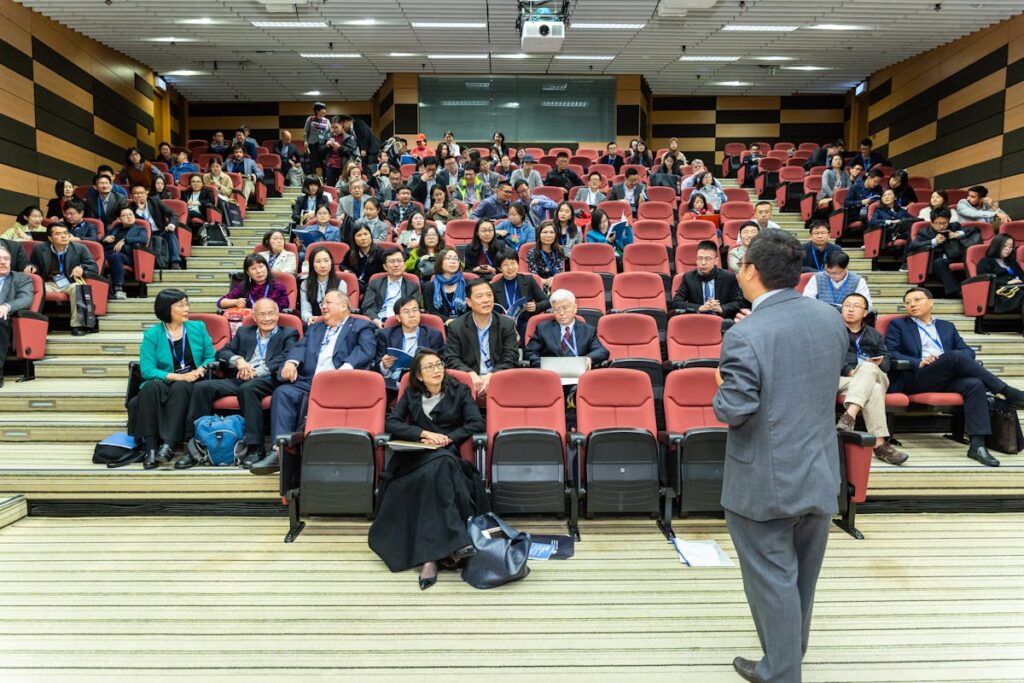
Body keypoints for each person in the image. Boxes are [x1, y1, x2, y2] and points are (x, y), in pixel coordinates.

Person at [713, 228, 848, 683]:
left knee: (771, 580)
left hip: (764, 483)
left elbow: (735, 408)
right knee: (800, 581)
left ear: (751, 271)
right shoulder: (831, 318)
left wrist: (719, 386)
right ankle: (789, 656)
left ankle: (782, 671)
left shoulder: (746, 333)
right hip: (820, 471)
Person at [367, 348, 488, 588]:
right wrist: (424, 433)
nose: (437, 370)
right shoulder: (411, 393)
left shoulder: (459, 390)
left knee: (442, 466)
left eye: (439, 364)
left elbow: (476, 422)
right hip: (415, 457)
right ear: (419, 376)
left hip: (446, 454)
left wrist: (447, 438)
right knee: (436, 473)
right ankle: (455, 542)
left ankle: (430, 558)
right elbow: (391, 422)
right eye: (429, 367)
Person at [885, 287, 1024, 467]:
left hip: (947, 376)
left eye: (917, 300)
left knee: (974, 384)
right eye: (908, 302)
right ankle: (1007, 391)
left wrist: (951, 362)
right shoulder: (899, 325)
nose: (912, 304)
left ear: (931, 302)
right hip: (917, 376)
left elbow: (967, 351)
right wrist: (918, 361)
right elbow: (891, 352)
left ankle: (977, 445)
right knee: (954, 356)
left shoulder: (946, 326)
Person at [251, 289, 377, 475]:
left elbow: (366, 350)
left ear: (343, 306)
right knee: (283, 392)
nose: (322, 306)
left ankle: (301, 453)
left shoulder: (361, 326)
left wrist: (344, 371)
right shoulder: (316, 327)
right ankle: (279, 451)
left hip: (340, 382)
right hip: (311, 380)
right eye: (322, 303)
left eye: (328, 303)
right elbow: (299, 347)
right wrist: (291, 363)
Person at [181, 297, 299, 469]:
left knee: (248, 388)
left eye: (271, 313)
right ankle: (194, 447)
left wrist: (255, 372)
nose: (267, 318)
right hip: (241, 377)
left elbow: (286, 356)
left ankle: (255, 448)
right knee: (201, 388)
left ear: (277, 315)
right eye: (262, 314)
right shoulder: (245, 332)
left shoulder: (288, 333)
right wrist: (239, 362)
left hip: (269, 380)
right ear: (255, 316)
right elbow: (223, 352)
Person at [128, 289, 216, 470]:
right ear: (166, 309)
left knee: (182, 387)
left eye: (187, 304)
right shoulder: (152, 334)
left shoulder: (197, 327)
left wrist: (200, 370)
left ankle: (168, 444)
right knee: (150, 388)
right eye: (180, 305)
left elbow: (211, 357)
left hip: (191, 381)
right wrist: (177, 376)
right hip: (164, 380)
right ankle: (151, 449)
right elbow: (147, 369)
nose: (186, 309)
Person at [835, 292, 909, 465]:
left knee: (869, 368)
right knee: (874, 388)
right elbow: (827, 356)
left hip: (876, 375)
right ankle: (880, 444)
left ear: (865, 312)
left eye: (856, 306)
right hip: (844, 379)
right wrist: (849, 370)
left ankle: (849, 416)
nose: (850, 309)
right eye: (847, 305)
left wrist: (876, 365)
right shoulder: (833, 331)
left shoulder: (874, 334)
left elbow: (887, 360)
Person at [443, 279, 519, 397]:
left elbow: (511, 356)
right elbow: (451, 358)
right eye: (479, 296)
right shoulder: (457, 326)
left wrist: (493, 374)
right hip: (467, 382)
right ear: (469, 301)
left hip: (500, 379)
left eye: (489, 295)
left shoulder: (506, 324)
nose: (486, 300)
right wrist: (469, 373)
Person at [524, 288, 608, 368]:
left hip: (578, 375)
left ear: (575, 308)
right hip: (551, 375)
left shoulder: (588, 330)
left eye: (565, 308)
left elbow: (602, 351)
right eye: (556, 309)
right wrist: (544, 365)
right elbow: (529, 352)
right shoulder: (543, 329)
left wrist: (589, 358)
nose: (561, 313)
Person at [375, 295, 445, 386]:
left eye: (415, 310)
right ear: (398, 317)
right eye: (406, 311)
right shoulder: (385, 335)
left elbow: (442, 363)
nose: (412, 315)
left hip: (424, 383)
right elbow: (376, 365)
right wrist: (384, 365)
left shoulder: (433, 335)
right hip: (393, 383)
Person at [908, 207, 978, 297]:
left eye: (945, 223)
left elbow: (975, 229)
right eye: (938, 223)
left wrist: (958, 234)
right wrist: (933, 241)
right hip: (935, 262)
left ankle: (973, 289)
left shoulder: (954, 227)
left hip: (955, 257)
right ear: (932, 222)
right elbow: (912, 246)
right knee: (939, 262)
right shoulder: (924, 232)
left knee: (971, 259)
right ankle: (954, 292)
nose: (942, 226)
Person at [671, 240, 745, 319]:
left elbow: (739, 302)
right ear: (696, 260)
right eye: (700, 258)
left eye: (707, 259)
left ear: (716, 261)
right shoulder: (689, 277)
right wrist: (699, 307)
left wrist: (721, 308)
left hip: (723, 321)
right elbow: (677, 302)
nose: (703, 263)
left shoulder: (728, 277)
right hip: (698, 319)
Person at [0, 244, 35, 387]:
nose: (3, 262)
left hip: (6, 319)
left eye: (6, 259)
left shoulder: (20, 278)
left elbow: (25, 299)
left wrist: (6, 306)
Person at [491, 251, 549, 335]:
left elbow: (546, 302)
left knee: (528, 330)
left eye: (513, 263)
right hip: (503, 323)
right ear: (500, 268)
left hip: (524, 321)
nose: (510, 267)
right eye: (505, 265)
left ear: (518, 264)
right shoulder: (494, 286)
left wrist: (535, 306)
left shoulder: (528, 280)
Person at [127, 184, 183, 270]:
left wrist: (171, 224)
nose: (139, 195)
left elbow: (172, 214)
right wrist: (139, 210)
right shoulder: (130, 208)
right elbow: (132, 224)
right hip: (145, 236)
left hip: (160, 231)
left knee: (170, 233)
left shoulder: (155, 201)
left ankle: (175, 262)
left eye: (141, 193)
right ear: (131, 196)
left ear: (146, 194)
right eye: (136, 193)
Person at [362, 248, 421, 327]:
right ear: (385, 266)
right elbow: (367, 307)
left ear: (404, 265)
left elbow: (413, 310)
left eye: (399, 261)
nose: (396, 265)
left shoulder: (413, 286)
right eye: (392, 261)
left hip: (401, 324)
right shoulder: (375, 283)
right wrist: (375, 320)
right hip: (379, 322)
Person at [103, 207, 150, 300]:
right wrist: (105, 239)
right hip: (109, 253)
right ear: (119, 219)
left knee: (116, 256)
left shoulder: (140, 229)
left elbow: (144, 240)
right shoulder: (115, 229)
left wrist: (125, 240)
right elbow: (102, 240)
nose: (129, 217)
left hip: (128, 256)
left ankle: (118, 288)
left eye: (130, 214)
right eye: (124, 215)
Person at [802, 250, 873, 311]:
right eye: (827, 272)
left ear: (846, 268)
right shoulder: (817, 278)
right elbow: (807, 301)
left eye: (835, 273)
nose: (831, 276)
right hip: (822, 317)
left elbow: (868, 307)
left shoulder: (858, 281)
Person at [218, 253, 290, 312]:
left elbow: (284, 308)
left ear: (267, 268)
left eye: (261, 267)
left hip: (271, 321)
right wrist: (235, 302)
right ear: (248, 272)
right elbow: (220, 303)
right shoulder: (243, 286)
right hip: (249, 323)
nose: (258, 271)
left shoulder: (278, 286)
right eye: (253, 268)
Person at [977, 234, 1024, 314]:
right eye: (1005, 246)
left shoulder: (1012, 263)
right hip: (1000, 295)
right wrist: (1007, 282)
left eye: (1011, 246)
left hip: (1018, 290)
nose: (1008, 249)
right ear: (997, 246)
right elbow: (984, 281)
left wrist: (1019, 281)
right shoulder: (985, 262)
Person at [299, 245, 345, 325]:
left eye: (326, 261)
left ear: (331, 262)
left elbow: (341, 310)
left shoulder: (340, 284)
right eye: (318, 261)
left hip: (335, 323)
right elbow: (305, 311)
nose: (323, 265)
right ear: (312, 264)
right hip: (314, 324)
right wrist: (309, 318)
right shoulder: (305, 284)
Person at [422, 248, 468, 322]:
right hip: (440, 326)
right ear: (440, 262)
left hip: (464, 326)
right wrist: (447, 321)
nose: (453, 261)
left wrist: (459, 323)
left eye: (455, 259)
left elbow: (472, 309)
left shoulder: (467, 284)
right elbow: (432, 311)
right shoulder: (430, 287)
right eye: (448, 258)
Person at [526, 221, 566, 289]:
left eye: (551, 232)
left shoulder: (559, 250)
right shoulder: (531, 252)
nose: (548, 235)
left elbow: (559, 270)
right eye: (545, 232)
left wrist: (553, 280)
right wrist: (544, 281)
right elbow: (533, 273)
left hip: (556, 281)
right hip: (538, 283)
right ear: (539, 234)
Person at [345, 225, 385, 293]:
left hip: (373, 288)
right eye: (359, 235)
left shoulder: (380, 253)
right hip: (356, 285)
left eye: (366, 234)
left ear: (371, 236)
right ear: (353, 238)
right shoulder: (352, 252)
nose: (363, 238)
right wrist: (349, 271)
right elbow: (342, 265)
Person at [816, 152, 850, 216]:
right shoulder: (827, 172)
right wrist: (834, 197)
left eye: (839, 159)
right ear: (831, 162)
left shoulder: (845, 173)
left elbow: (849, 186)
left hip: (841, 198)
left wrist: (842, 196)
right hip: (827, 196)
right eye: (835, 159)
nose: (838, 161)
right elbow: (825, 186)